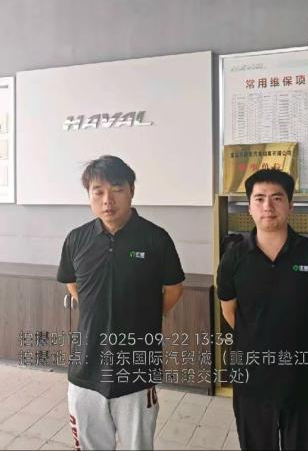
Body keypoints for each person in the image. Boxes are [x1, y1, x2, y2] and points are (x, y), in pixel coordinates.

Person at [57, 155, 185, 450]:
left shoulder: (156, 238)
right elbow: (72, 282)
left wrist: (146, 315)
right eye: (98, 192)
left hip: (136, 370)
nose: (107, 200)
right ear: (89, 195)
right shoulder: (76, 239)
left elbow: (174, 289)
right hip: (86, 369)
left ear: (131, 191)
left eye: (117, 190)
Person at [217, 169, 308, 451]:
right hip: (252, 377)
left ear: (290, 206)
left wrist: (301, 336)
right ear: (249, 207)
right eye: (259, 198)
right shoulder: (233, 259)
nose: (268, 206)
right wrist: (261, 337)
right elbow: (230, 312)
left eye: (277, 198)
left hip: (305, 376)